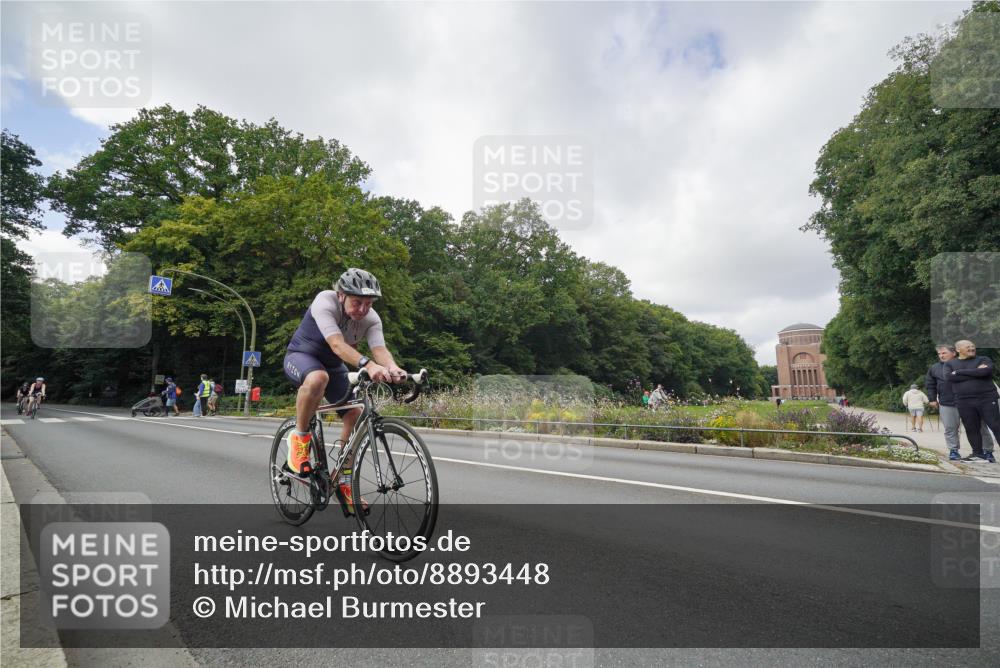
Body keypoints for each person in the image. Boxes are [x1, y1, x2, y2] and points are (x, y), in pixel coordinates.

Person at [282, 268, 408, 514]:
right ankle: (299, 438)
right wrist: (368, 365)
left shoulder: (371, 318)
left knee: (355, 412)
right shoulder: (325, 301)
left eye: (368, 303)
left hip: (333, 364)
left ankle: (343, 480)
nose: (362, 309)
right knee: (318, 377)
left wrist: (393, 368)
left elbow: (379, 350)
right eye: (357, 302)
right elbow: (338, 345)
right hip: (301, 356)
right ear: (341, 295)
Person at [927, 344, 994, 461]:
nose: (941, 356)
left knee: (980, 427)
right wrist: (932, 399)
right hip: (947, 402)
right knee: (950, 428)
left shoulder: (967, 363)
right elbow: (930, 384)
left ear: (954, 353)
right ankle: (953, 450)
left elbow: (979, 376)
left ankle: (987, 451)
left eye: (944, 353)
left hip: (970, 401)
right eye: (939, 354)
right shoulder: (934, 368)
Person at [946, 340, 999, 463]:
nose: (971, 348)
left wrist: (959, 372)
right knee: (971, 428)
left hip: (987, 398)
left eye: (973, 346)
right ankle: (978, 454)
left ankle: (987, 453)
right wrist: (976, 372)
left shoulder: (983, 359)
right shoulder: (950, 364)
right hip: (964, 400)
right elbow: (950, 377)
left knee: (996, 426)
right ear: (958, 350)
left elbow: (986, 372)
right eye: (968, 346)